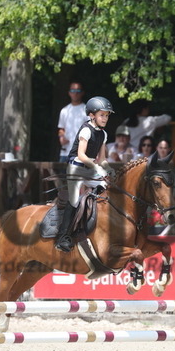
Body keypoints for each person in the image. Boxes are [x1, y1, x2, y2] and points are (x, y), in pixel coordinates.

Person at [56, 96, 115, 252]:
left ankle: (97, 225)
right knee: (74, 200)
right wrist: (95, 167)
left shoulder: (103, 134)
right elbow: (81, 155)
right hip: (76, 167)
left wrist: (109, 170)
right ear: (92, 115)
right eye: (102, 115)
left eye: (107, 115)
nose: (105, 118)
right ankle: (63, 237)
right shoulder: (86, 130)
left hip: (90, 168)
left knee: (106, 188)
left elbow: (102, 159)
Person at [57, 81, 87, 162]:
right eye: (73, 90)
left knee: (79, 175)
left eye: (78, 91)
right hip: (65, 153)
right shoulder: (64, 110)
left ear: (82, 93)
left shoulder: (86, 110)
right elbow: (61, 129)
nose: (75, 93)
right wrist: (61, 137)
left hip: (81, 153)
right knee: (63, 174)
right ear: (69, 93)